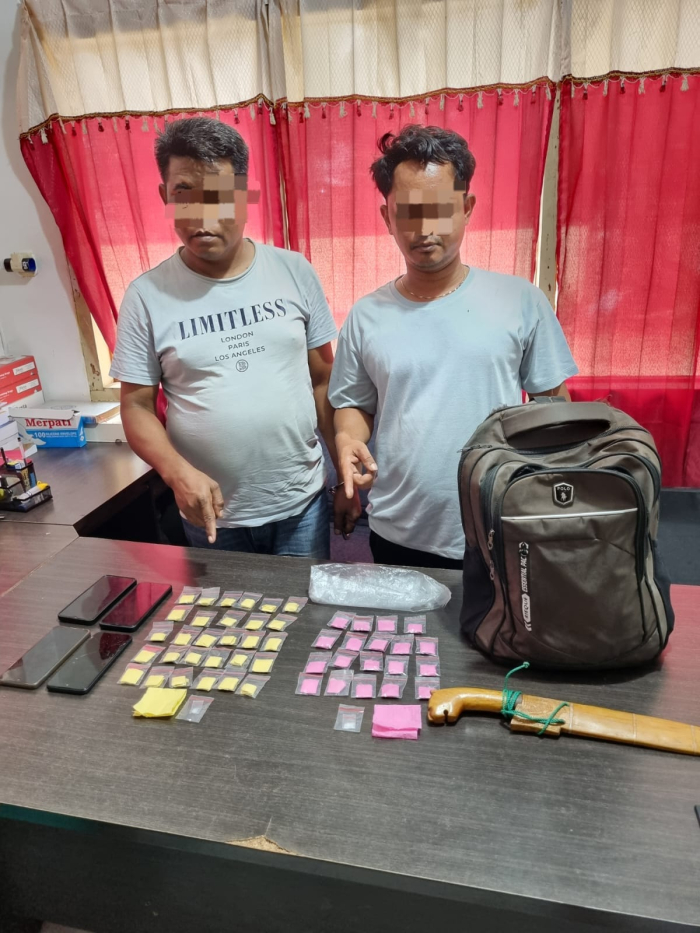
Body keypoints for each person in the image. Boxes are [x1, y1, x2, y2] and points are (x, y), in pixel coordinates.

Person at [329, 125, 578, 570]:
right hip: (398, 529)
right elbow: (354, 404)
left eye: (441, 210)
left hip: (499, 523)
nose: (425, 229)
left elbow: (553, 404)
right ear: (387, 217)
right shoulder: (366, 316)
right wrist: (348, 440)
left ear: (466, 208)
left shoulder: (519, 301)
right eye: (409, 212)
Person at [111, 116, 360, 557]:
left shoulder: (294, 272)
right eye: (184, 194)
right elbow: (136, 406)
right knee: (222, 607)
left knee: (303, 604)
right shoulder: (146, 296)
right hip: (210, 515)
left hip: (300, 507)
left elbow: (323, 380)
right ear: (166, 197)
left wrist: (343, 478)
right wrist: (175, 473)